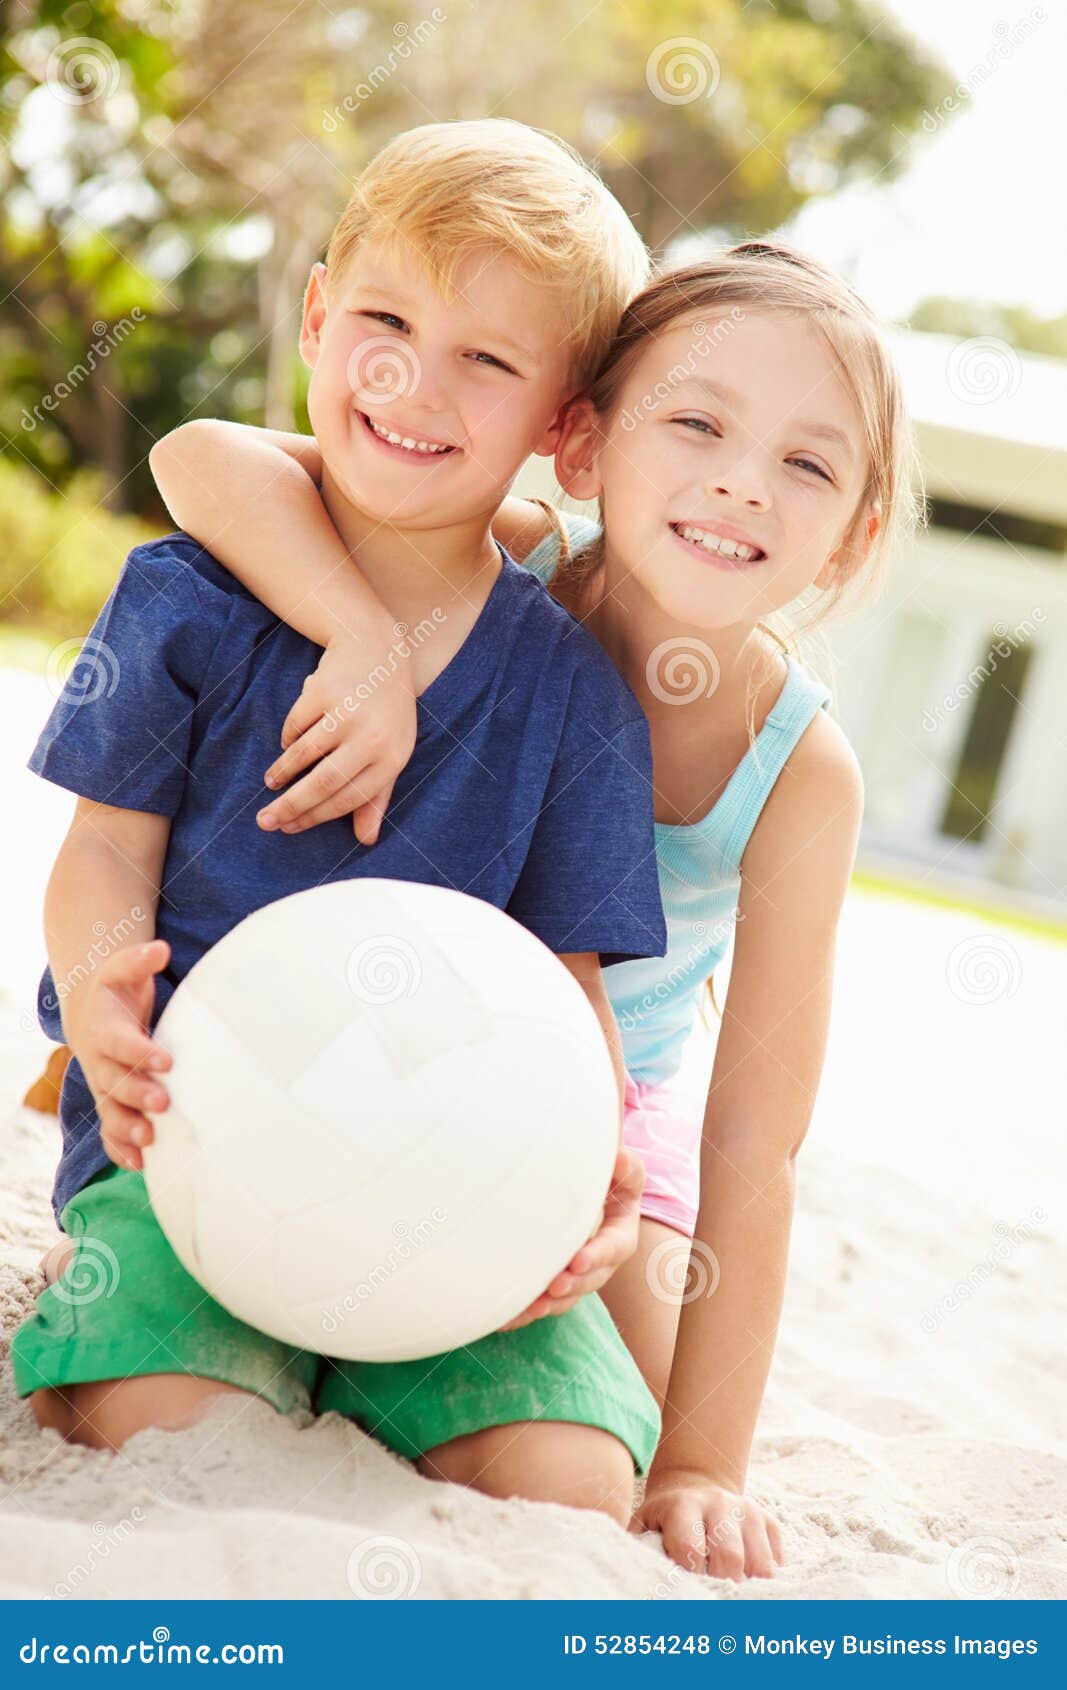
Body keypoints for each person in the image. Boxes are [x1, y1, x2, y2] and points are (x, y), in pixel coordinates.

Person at [148, 242, 920, 1579]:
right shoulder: (508, 554)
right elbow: (199, 457)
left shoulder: (797, 771)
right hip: (390, 1038)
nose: (742, 480)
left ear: (854, 530)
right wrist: (362, 630)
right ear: (586, 444)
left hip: (608, 1116)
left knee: (612, 1417)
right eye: (695, 422)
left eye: (808, 462)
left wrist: (703, 1463)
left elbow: (755, 1139)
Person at [10, 119, 670, 1533]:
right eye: (382, 319)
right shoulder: (187, 601)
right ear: (317, 315)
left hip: (452, 1178)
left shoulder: (576, 700)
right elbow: (107, 855)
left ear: (566, 429)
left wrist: (590, 1166)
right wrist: (100, 1000)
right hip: (183, 1139)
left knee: (572, 1478)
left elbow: (567, 984)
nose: (408, 380)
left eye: (487, 361)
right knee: (182, 1420)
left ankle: (393, 1381)